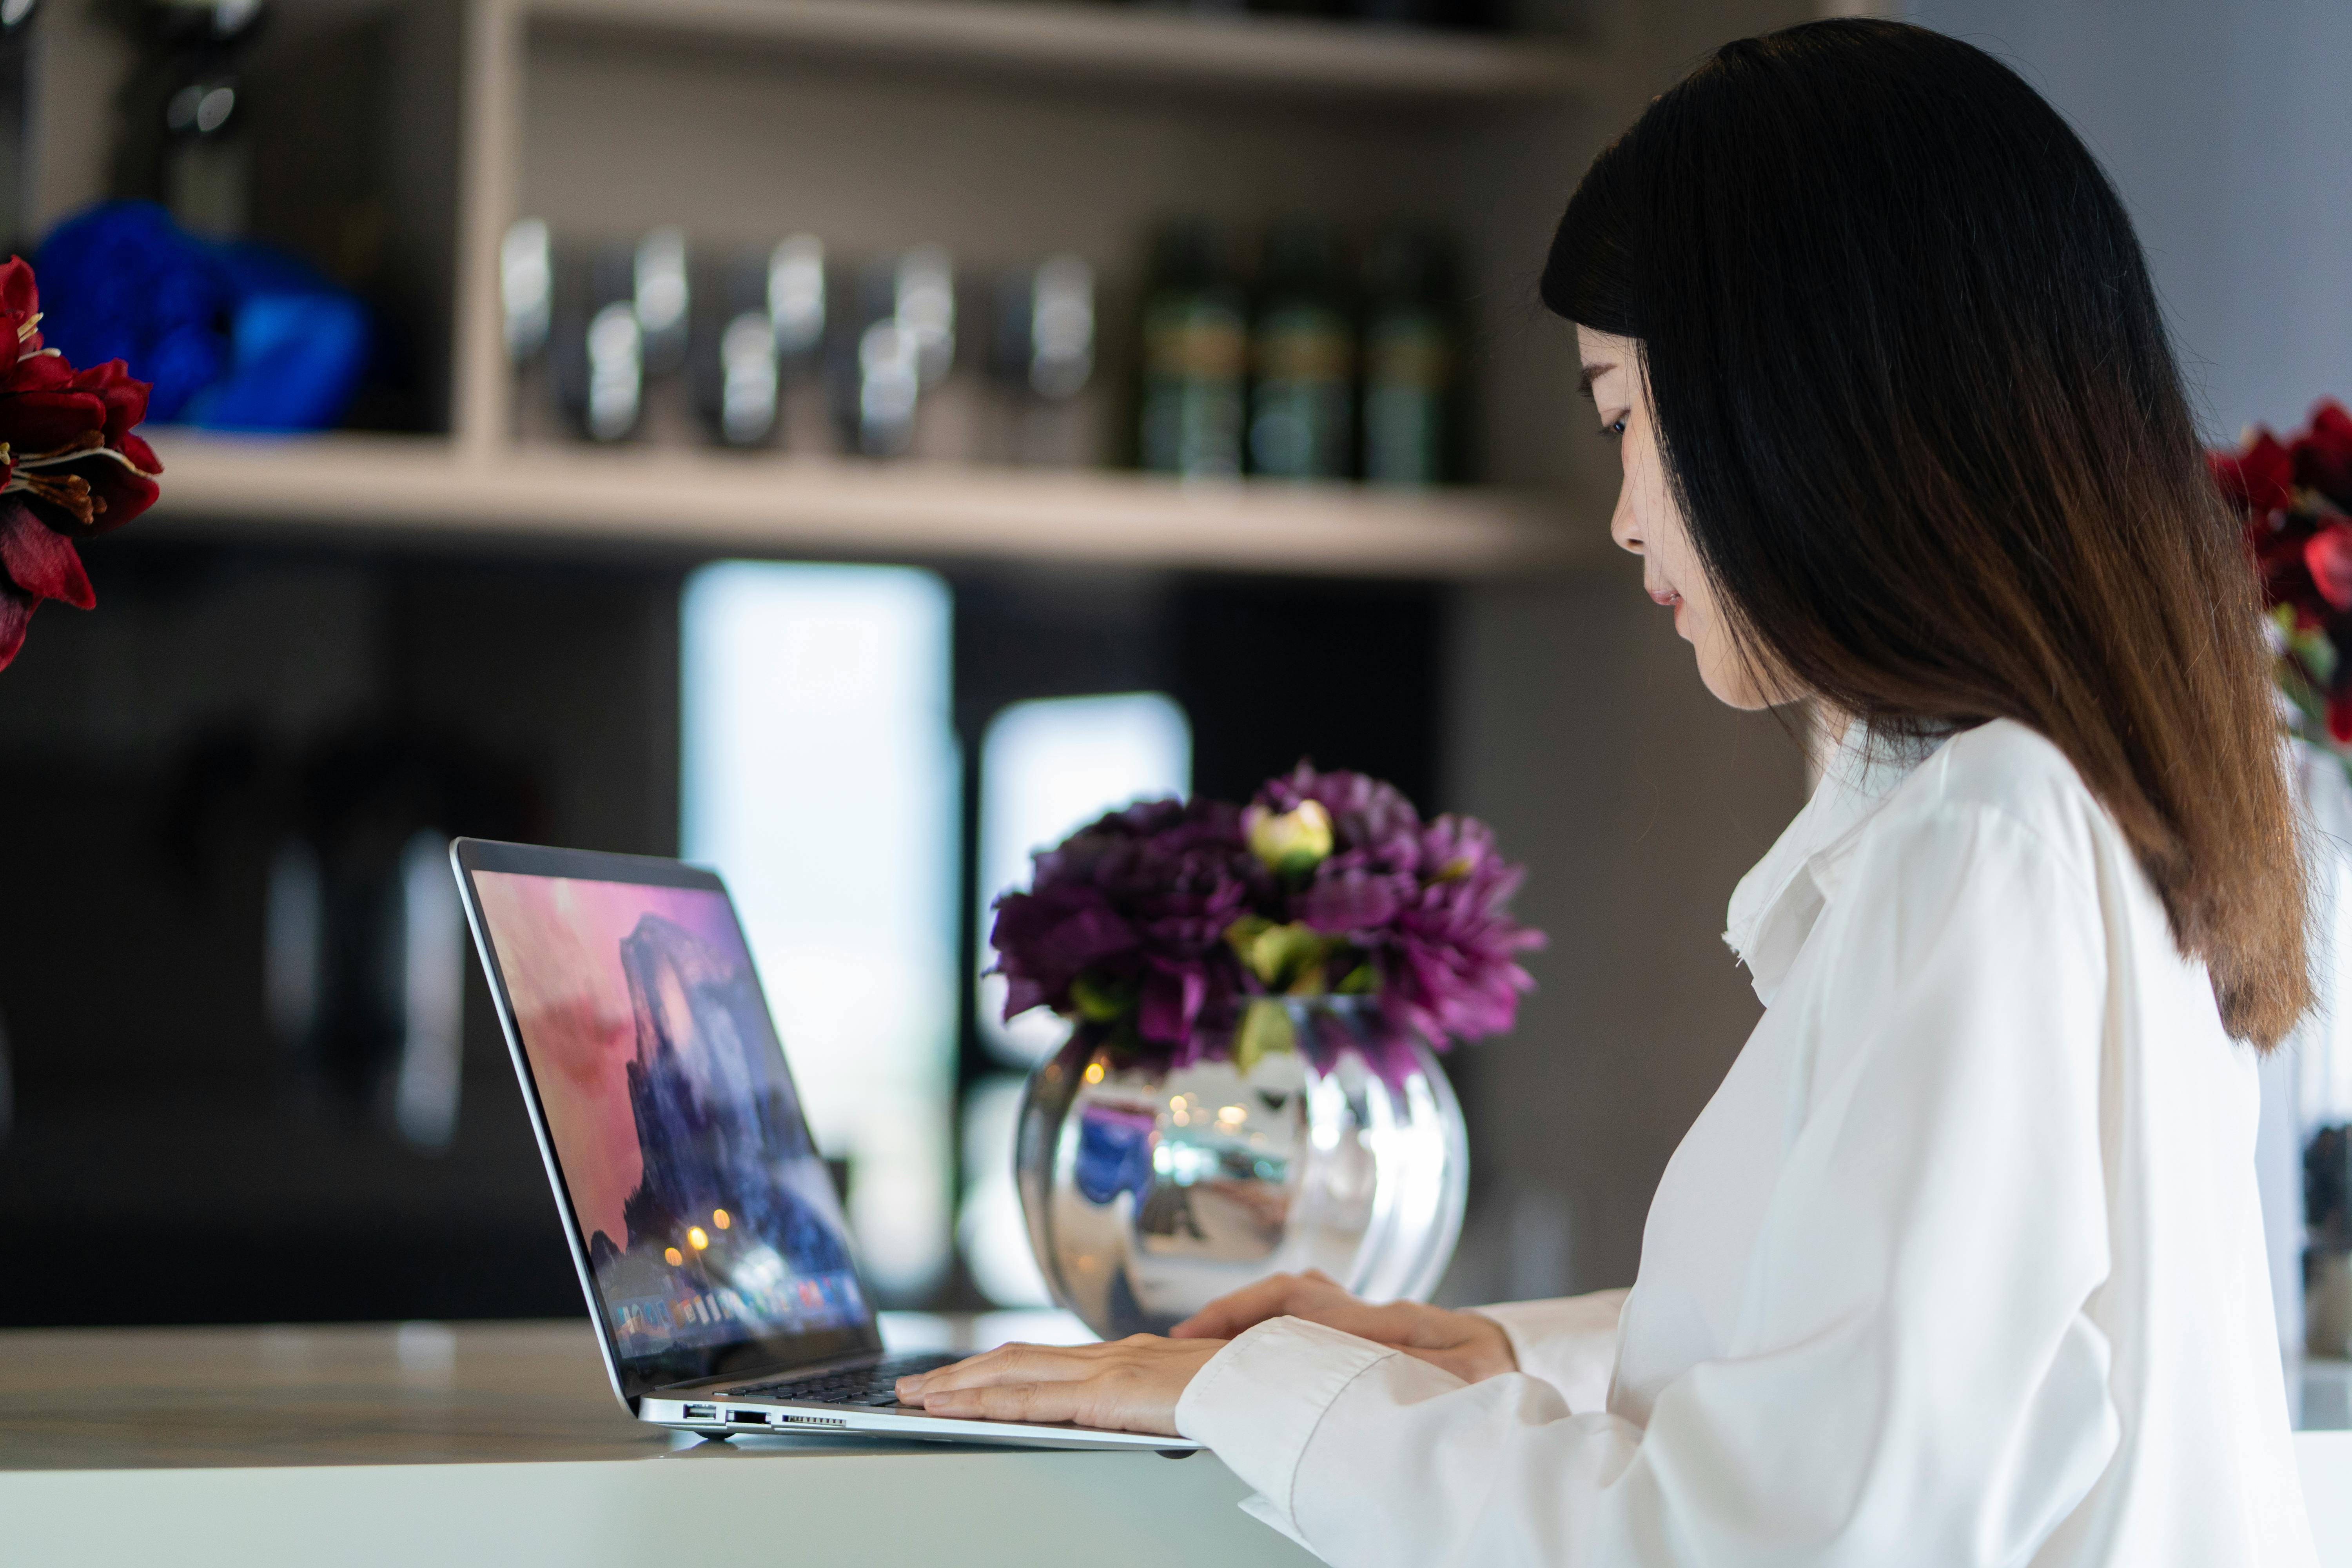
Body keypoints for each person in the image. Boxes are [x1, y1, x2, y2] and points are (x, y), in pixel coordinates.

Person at [895, 19, 2318, 1564]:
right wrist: (1493, 1355)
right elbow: (1890, 1372)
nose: (1630, 518)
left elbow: (1770, 1534)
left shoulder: (1990, 837)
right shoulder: (2073, 815)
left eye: (1626, 421)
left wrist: (1252, 1387)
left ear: (1809, 396)